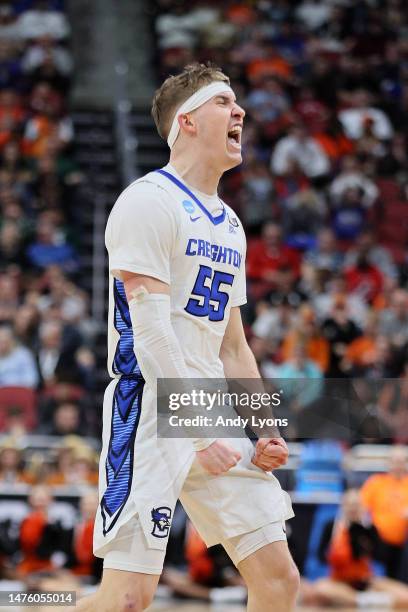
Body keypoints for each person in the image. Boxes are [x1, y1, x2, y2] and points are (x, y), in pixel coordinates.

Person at [77, 63, 298, 612]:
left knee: (279, 579)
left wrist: (265, 429)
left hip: (211, 405)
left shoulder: (229, 224)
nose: (240, 112)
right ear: (187, 121)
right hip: (153, 408)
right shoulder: (147, 200)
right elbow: (150, 331)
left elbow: (233, 346)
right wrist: (200, 434)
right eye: (224, 102)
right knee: (127, 599)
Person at [314, 489, 408, 608]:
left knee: (405, 595)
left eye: (357, 505)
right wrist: (336, 556)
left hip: (366, 580)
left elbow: (382, 556)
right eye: (350, 505)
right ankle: (363, 601)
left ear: (363, 507)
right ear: (343, 506)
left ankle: (360, 601)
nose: (353, 509)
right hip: (339, 582)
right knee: (319, 589)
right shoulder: (331, 526)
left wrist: (367, 543)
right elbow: (320, 555)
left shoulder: (370, 528)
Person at [360, 446, 408, 580]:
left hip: (403, 541)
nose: (398, 466)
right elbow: (361, 508)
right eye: (395, 461)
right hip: (379, 540)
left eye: (402, 461)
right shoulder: (376, 482)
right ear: (389, 463)